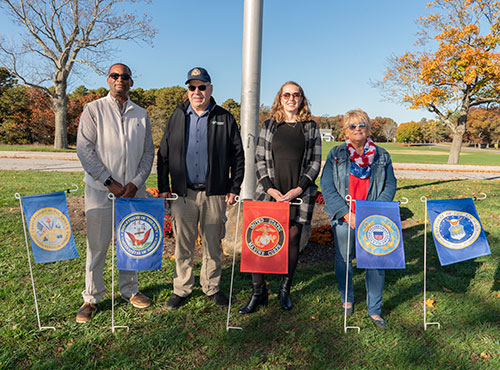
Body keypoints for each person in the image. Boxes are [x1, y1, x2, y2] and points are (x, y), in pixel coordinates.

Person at [157, 67, 244, 310]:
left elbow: (238, 155)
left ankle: (211, 287)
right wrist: (163, 187)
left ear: (210, 89)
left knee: (212, 244)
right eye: (192, 87)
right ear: (188, 90)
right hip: (183, 193)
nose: (197, 92)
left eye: (202, 87)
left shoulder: (224, 117)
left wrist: (234, 186)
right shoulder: (176, 116)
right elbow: (163, 155)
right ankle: (182, 288)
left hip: (214, 193)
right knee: (183, 245)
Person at [75, 63, 155, 323]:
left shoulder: (141, 114)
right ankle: (91, 297)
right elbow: (84, 149)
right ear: (108, 80)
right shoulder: (94, 109)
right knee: (97, 247)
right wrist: (109, 181)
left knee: (131, 243)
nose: (120, 79)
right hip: (101, 191)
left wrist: (136, 181)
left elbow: (147, 153)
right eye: (115, 75)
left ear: (131, 82)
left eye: (125, 76)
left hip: (133, 192)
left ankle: (130, 290)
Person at [239, 81, 321, 314]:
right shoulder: (269, 125)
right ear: (280, 98)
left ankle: (285, 290)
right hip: (270, 191)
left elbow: (315, 162)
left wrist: (298, 189)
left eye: (296, 95)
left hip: (298, 193)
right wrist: (270, 188)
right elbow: (260, 159)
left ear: (302, 99)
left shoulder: (311, 128)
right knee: (259, 239)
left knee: (293, 239)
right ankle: (258, 292)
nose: (291, 98)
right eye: (287, 94)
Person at [320, 109, 396, 329]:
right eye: (352, 125)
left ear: (369, 128)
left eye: (361, 125)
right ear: (346, 129)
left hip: (373, 218)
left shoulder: (382, 155)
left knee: (375, 260)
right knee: (344, 258)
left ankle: (374, 309)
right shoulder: (336, 153)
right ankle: (347, 297)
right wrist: (345, 213)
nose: (357, 129)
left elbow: (390, 185)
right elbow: (327, 186)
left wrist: (371, 213)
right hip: (344, 215)